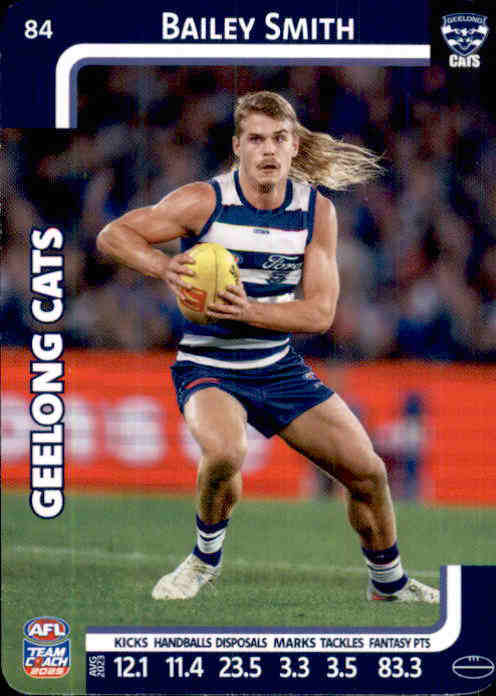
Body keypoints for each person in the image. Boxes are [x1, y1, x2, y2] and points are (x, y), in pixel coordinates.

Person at [97, 91, 439, 604]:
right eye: (256, 139)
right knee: (225, 452)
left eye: (279, 138)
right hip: (209, 366)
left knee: (369, 472)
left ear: (294, 145)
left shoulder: (315, 212)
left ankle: (389, 585)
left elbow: (319, 314)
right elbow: (112, 235)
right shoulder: (204, 201)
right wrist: (163, 267)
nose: (268, 150)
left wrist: (247, 311)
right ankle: (202, 561)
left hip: (277, 366)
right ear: (238, 146)